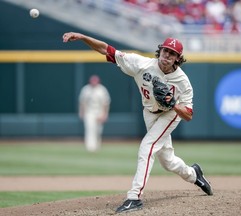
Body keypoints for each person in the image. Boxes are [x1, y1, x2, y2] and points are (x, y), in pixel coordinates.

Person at [62, 32, 213, 213]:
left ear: (177, 59)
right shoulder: (141, 64)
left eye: (172, 54)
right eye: (165, 51)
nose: (167, 56)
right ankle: (194, 174)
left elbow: (188, 115)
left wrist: (173, 103)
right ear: (160, 51)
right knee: (168, 161)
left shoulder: (183, 82)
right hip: (149, 112)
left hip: (170, 114)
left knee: (146, 147)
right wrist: (82, 37)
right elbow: (107, 50)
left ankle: (134, 197)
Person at [78, 75, 111, 152]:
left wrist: (105, 114)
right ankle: (90, 147)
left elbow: (106, 103)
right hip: (89, 112)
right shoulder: (86, 89)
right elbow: (82, 102)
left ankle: (97, 146)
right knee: (89, 129)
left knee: (98, 130)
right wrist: (81, 112)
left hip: (99, 112)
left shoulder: (102, 89)